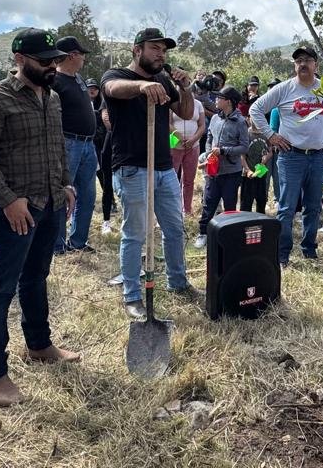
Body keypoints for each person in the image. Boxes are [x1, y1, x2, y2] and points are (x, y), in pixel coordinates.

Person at [0, 28, 79, 407]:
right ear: (18, 59)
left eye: (54, 60)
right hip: (15, 210)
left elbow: (56, 147)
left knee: (36, 278)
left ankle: (39, 344)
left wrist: (65, 184)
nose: (52, 66)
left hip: (48, 204)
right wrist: (8, 201)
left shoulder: (51, 98)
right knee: (1, 288)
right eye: (44, 60)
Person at [102, 28, 197, 317]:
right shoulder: (116, 75)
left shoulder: (163, 80)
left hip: (164, 168)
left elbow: (185, 112)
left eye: (164, 50)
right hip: (132, 167)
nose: (161, 54)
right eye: (154, 48)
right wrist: (141, 87)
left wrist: (184, 88)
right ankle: (132, 295)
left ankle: (178, 282)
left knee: (174, 229)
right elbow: (113, 89)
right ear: (136, 50)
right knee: (135, 234)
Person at [250, 45, 323, 267]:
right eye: (298, 60)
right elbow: (255, 109)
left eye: (308, 60)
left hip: (318, 157)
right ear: (294, 65)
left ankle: (309, 249)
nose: (302, 64)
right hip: (291, 157)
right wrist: (271, 135)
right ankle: (282, 253)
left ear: (315, 65)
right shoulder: (284, 89)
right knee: (287, 207)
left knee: (313, 206)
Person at [51, 36, 99, 254]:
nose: (83, 59)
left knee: (88, 195)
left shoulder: (78, 78)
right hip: (68, 143)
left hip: (88, 145)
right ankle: (58, 244)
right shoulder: (55, 81)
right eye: (81, 54)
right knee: (63, 193)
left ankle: (78, 241)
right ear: (71, 55)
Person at [195, 86, 250, 248]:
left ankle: (229, 233)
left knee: (230, 203)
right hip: (213, 170)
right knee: (209, 202)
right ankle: (203, 232)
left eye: (220, 98)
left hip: (231, 172)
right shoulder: (215, 119)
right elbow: (209, 138)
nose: (216, 100)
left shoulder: (240, 122)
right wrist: (209, 154)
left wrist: (224, 151)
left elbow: (244, 147)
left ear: (229, 102)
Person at [170, 83, 206, 215]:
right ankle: (173, 209)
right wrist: (180, 137)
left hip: (193, 146)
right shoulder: (172, 103)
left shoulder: (198, 104)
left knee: (189, 180)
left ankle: (187, 209)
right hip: (175, 145)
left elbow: (202, 125)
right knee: (172, 179)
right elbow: (168, 123)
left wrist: (193, 139)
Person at [92, 80, 117, 234]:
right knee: (107, 184)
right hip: (110, 145)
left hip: (131, 147)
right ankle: (106, 221)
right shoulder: (107, 99)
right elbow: (106, 119)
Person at [240, 117, 271, 214]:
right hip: (249, 175)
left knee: (261, 200)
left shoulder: (265, 134)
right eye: (253, 117)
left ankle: (260, 221)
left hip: (261, 173)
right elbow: (242, 156)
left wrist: (266, 157)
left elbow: (270, 152)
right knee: (246, 202)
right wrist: (247, 170)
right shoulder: (246, 134)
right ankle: (244, 222)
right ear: (249, 119)